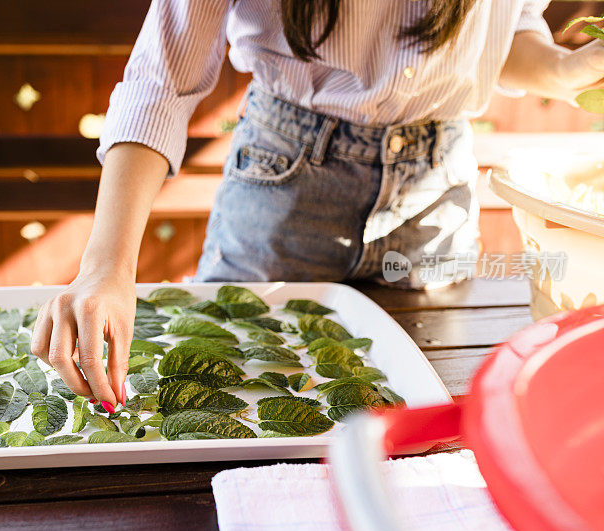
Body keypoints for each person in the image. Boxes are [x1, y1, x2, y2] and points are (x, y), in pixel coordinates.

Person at [31, 0, 604, 408]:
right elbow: (162, 79)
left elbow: (499, 35)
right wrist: (107, 266)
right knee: (234, 393)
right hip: (287, 185)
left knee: (421, 415)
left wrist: (563, 69)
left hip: (436, 202)